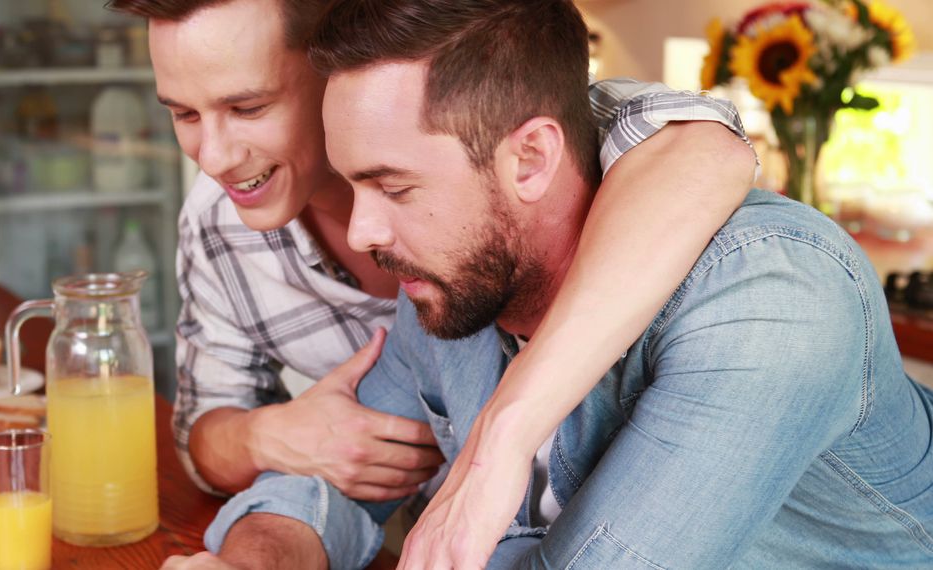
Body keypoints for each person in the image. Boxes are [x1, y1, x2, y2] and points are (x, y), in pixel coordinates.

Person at [186, 0, 933, 568]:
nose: (362, 233)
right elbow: (325, 493)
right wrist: (251, 557)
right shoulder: (450, 287)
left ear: (532, 160)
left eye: (396, 187)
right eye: (357, 186)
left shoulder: (771, 299)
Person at [106, 0, 757, 512]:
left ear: (329, 70)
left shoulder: (510, 122)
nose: (213, 155)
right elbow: (201, 434)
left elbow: (705, 151)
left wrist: (502, 437)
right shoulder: (219, 219)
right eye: (184, 114)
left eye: (247, 106)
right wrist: (267, 437)